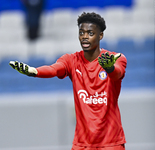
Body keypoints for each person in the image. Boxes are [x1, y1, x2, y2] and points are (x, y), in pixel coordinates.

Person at [9, 12, 127, 150]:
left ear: (100, 35)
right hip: (82, 144)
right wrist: (34, 72)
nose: (84, 37)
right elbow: (54, 69)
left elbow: (118, 74)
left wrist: (109, 68)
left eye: (90, 33)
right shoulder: (71, 60)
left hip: (111, 143)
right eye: (81, 32)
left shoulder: (114, 58)